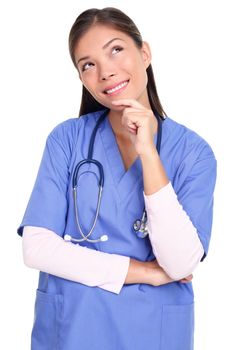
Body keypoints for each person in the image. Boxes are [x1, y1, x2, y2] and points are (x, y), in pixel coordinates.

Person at [17, 7, 217, 350]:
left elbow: (181, 262)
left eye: (116, 50)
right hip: (73, 330)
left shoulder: (194, 153)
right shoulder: (66, 140)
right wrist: (143, 272)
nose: (105, 72)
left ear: (145, 53)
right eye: (88, 65)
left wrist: (149, 155)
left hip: (152, 331)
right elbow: (37, 248)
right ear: (82, 79)